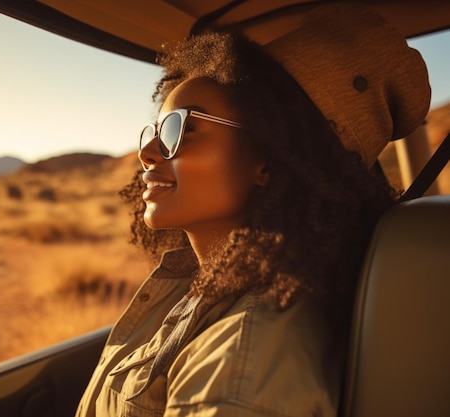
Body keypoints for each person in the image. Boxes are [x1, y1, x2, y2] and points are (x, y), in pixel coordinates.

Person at [76, 3, 430, 417]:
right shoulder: (202, 282)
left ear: (269, 159)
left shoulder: (240, 361)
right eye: (155, 130)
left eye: (182, 128)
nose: (148, 152)